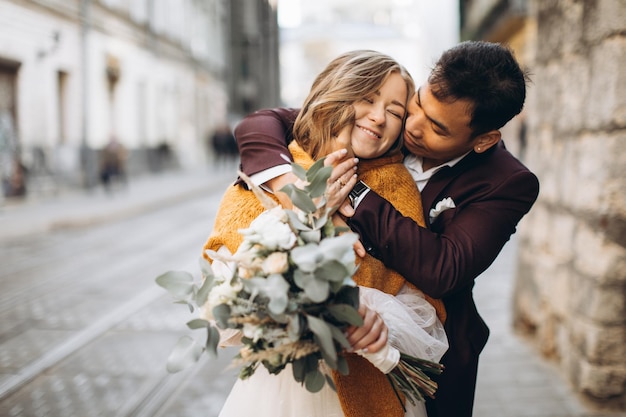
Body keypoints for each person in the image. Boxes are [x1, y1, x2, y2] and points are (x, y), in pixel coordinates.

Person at [233, 41, 540, 417]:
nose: (413, 127)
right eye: (419, 105)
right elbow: (264, 123)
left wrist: (350, 192)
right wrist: (295, 188)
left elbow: (444, 269)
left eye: (438, 128)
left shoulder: (508, 183)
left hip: (424, 356)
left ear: (484, 139)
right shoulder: (384, 122)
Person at [203, 50, 448, 417]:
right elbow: (227, 293)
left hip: (374, 387)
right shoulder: (273, 171)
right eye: (367, 99)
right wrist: (304, 216)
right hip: (285, 389)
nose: (379, 117)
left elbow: (423, 308)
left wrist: (379, 324)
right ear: (336, 94)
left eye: (396, 112)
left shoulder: (399, 187)